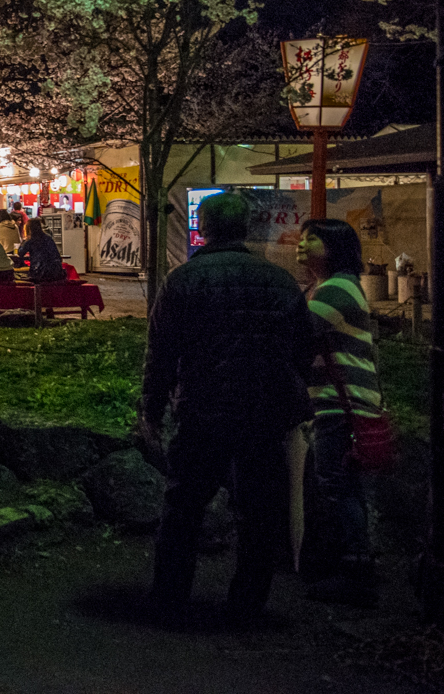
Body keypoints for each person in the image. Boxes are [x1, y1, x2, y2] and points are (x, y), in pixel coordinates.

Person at [138, 191, 315, 625]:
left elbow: (161, 355)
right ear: (247, 229)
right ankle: (247, 604)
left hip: (203, 408)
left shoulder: (183, 281)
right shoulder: (281, 281)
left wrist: (151, 412)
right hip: (264, 412)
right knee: (259, 513)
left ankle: (170, 598)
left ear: (203, 228)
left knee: (184, 508)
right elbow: (302, 351)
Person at [297, 218, 383, 608]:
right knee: (338, 487)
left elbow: (296, 337)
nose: (301, 245)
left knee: (339, 488)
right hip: (342, 404)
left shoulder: (334, 290)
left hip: (339, 405)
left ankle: (355, 572)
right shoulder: (335, 286)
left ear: (335, 248)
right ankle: (344, 564)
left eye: (312, 238)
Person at [15, 218, 64, 284]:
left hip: (38, 272)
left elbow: (20, 253)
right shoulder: (48, 238)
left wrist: (23, 242)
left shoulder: (31, 241)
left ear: (29, 229)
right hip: (55, 271)